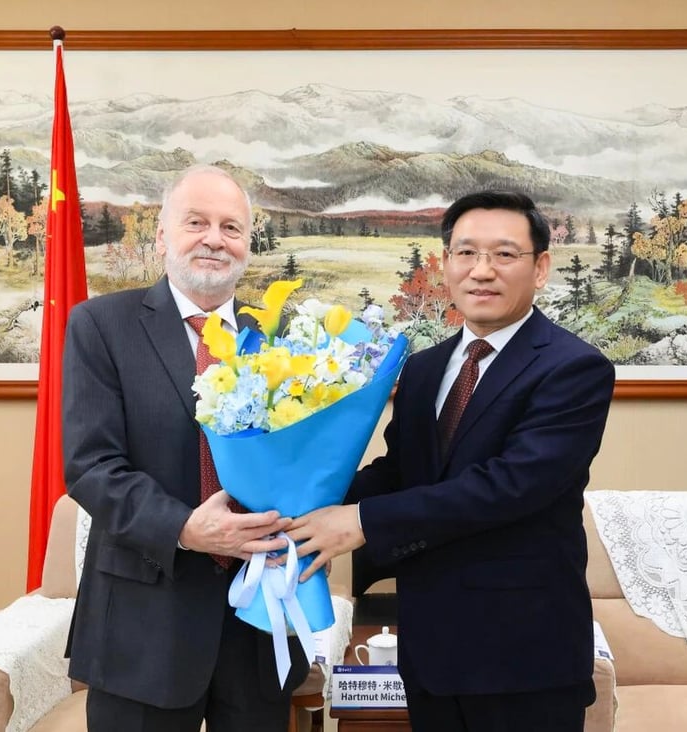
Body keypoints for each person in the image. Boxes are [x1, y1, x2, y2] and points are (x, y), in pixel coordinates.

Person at [288, 190, 615, 731]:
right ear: (445, 265)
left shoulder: (574, 368)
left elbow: (510, 486)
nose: (481, 271)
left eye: (504, 255)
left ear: (541, 268)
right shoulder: (422, 369)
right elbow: (401, 472)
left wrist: (362, 523)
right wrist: (301, 499)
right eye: (465, 253)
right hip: (432, 651)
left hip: (526, 657)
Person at [61, 165, 308, 732]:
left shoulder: (285, 339)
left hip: (257, 619)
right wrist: (185, 528)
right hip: (144, 624)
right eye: (196, 222)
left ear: (248, 243)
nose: (214, 238)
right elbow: (91, 465)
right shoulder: (101, 325)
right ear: (161, 236)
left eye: (231, 227)